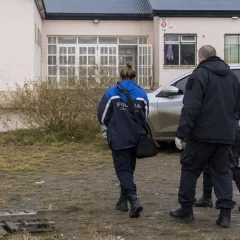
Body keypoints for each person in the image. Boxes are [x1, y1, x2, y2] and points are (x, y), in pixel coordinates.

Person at [170, 45, 240, 228]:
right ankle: (225, 215)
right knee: (223, 173)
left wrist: (181, 133)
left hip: (201, 136)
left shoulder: (198, 75)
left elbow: (191, 107)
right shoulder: (232, 77)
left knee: (190, 169)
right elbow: (237, 107)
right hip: (226, 135)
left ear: (200, 58)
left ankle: (186, 209)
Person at [97, 62, 149, 218]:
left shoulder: (111, 92)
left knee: (123, 170)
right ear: (135, 77)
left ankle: (133, 200)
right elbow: (144, 116)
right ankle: (122, 201)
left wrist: (112, 126)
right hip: (136, 138)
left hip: (119, 138)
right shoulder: (142, 94)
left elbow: (102, 116)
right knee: (129, 170)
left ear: (120, 76)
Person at [195, 118, 240, 210]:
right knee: (231, 165)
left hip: (219, 130)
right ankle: (206, 197)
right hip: (233, 128)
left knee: (224, 166)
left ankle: (207, 197)